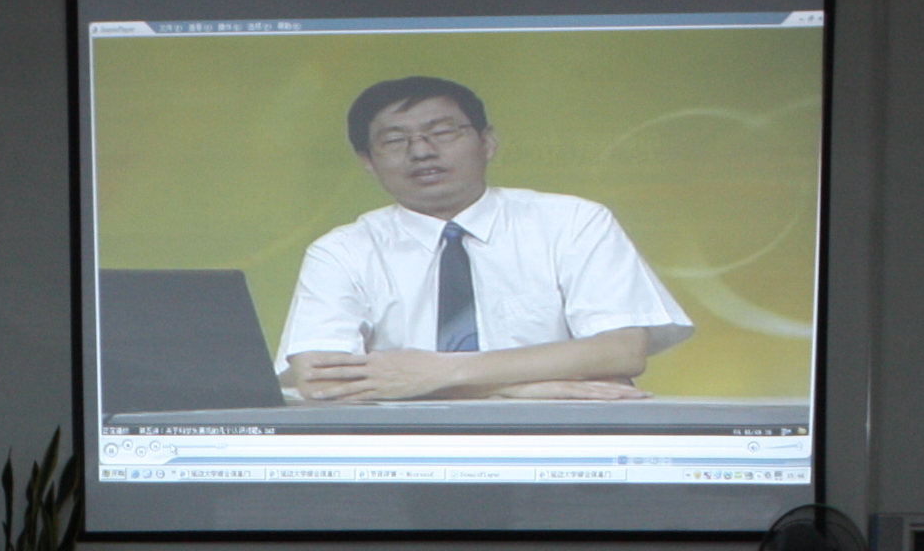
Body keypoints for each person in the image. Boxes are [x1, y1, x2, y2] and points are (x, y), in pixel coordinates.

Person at [277, 76, 695, 404]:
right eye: (395, 140)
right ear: (367, 163)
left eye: (442, 133)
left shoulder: (572, 222)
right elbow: (319, 378)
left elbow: (620, 352)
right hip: (402, 450)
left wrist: (435, 375)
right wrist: (514, 387)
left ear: (487, 142)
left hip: (560, 444)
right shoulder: (342, 250)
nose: (421, 152)